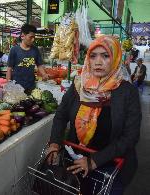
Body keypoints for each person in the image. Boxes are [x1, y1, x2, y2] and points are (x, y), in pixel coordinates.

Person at [46, 36, 141, 195]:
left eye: (105, 56)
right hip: (76, 159)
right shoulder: (79, 85)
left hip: (110, 164)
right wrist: (55, 142)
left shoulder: (127, 92)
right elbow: (61, 115)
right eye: (93, 55)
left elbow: (130, 136)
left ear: (116, 58)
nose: (98, 61)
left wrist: (95, 161)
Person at [6, 24, 49, 94]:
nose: (33, 39)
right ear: (22, 36)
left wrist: (44, 74)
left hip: (31, 86)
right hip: (17, 87)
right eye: (31, 37)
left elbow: (39, 65)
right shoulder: (14, 50)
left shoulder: (35, 50)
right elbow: (9, 69)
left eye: (34, 37)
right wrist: (8, 85)